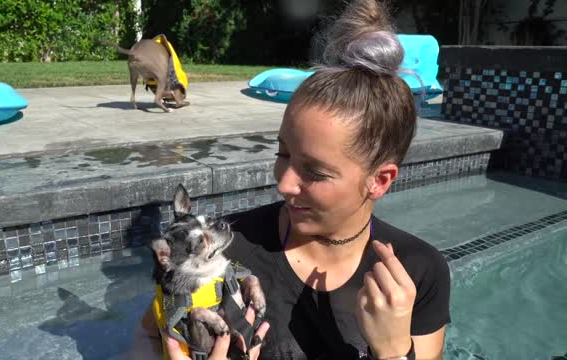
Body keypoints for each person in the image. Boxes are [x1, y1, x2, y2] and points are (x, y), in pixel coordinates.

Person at [137, 0, 450, 359]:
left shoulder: (418, 273)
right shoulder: (230, 248)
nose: (284, 184)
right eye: (282, 153)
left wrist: (394, 353)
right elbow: (149, 335)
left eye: (315, 171)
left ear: (379, 181)